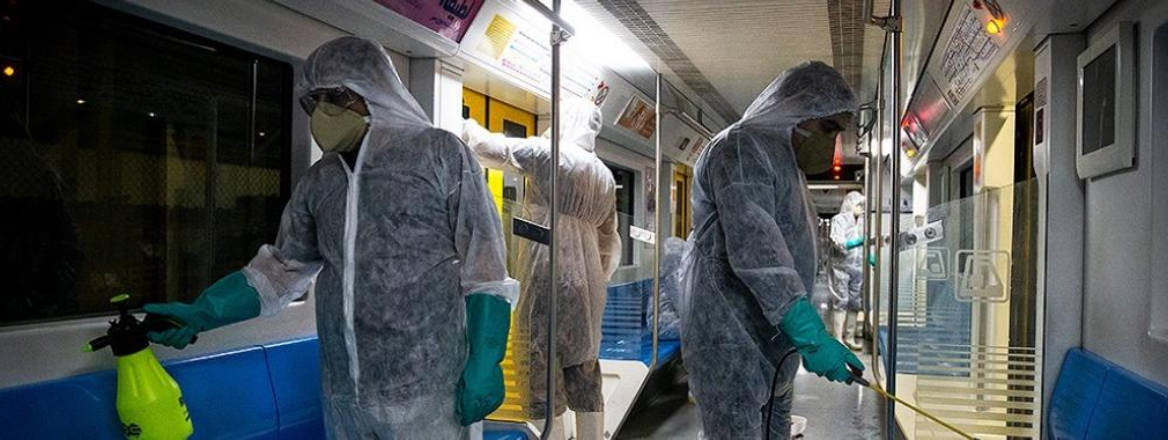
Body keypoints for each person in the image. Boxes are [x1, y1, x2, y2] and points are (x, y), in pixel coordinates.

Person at [144, 36, 517, 439]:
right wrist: (202, 312)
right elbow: (279, 273)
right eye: (314, 99)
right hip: (344, 398)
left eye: (336, 96)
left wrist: (484, 364)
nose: (323, 111)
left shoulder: (440, 155)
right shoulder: (320, 182)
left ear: (375, 91)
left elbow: (486, 271)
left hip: (429, 396)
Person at [679, 61, 865, 439]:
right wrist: (809, 331)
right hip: (731, 332)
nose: (831, 142)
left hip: (771, 337)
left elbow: (792, 247)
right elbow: (757, 249)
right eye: (827, 127)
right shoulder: (741, 149)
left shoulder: (787, 165)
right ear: (796, 112)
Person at [461, 98, 620, 440]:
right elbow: (610, 241)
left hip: (546, 274)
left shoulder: (551, 154)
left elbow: (486, 147)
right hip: (590, 287)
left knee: (540, 372)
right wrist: (596, 279)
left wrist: (466, 122)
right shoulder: (605, 176)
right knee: (585, 370)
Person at [830, 191, 866, 350]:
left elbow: (866, 242)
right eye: (859, 205)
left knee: (854, 302)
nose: (862, 208)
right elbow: (838, 241)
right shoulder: (839, 220)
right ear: (850, 204)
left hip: (857, 267)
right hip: (841, 267)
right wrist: (854, 243)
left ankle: (850, 337)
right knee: (841, 301)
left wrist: (869, 257)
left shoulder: (863, 222)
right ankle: (838, 338)